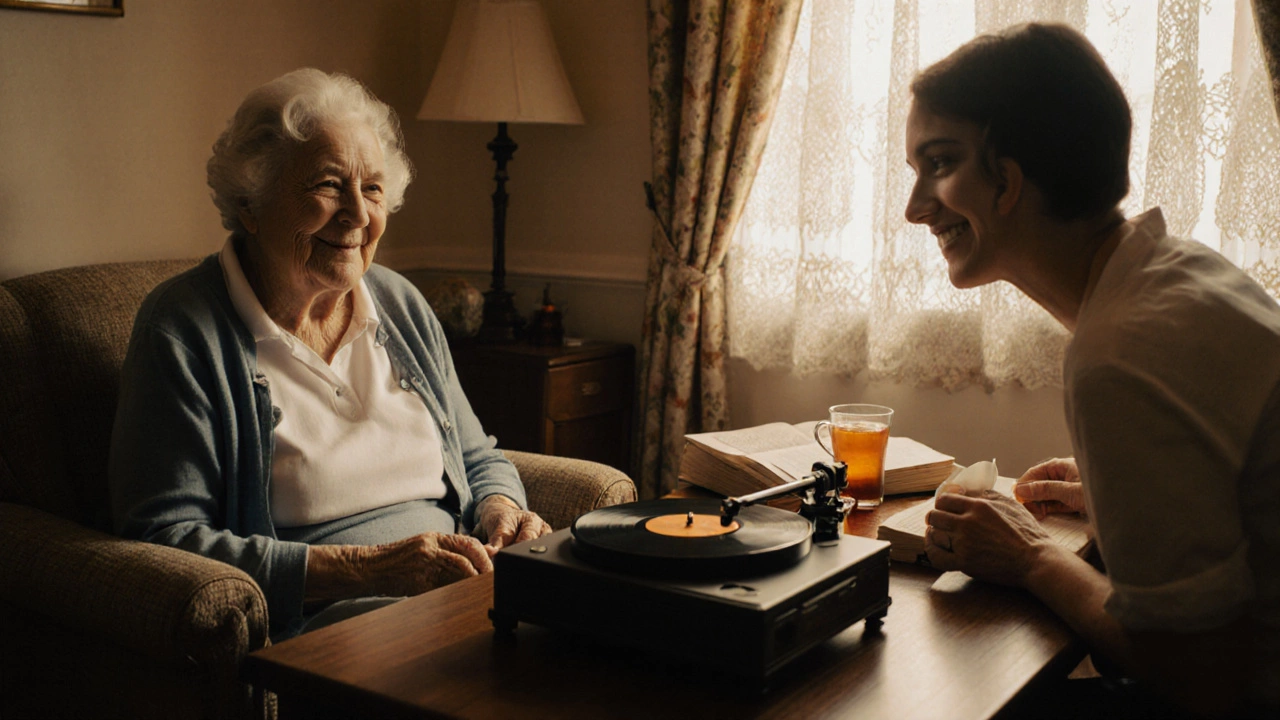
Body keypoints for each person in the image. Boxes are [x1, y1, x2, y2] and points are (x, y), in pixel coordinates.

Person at [903, 24, 1279, 719]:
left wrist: (1033, 557)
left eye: (938, 162)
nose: (914, 207)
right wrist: (1121, 494)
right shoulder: (1181, 268)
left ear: (1009, 180)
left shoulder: (1119, 355)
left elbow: (1201, 680)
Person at [108, 68, 552, 638]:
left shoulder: (399, 302)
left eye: (372, 188)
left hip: (463, 595)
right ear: (252, 203)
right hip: (332, 624)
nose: (358, 215)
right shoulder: (183, 328)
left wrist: (501, 511)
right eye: (326, 184)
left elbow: (478, 458)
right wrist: (367, 570)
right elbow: (162, 538)